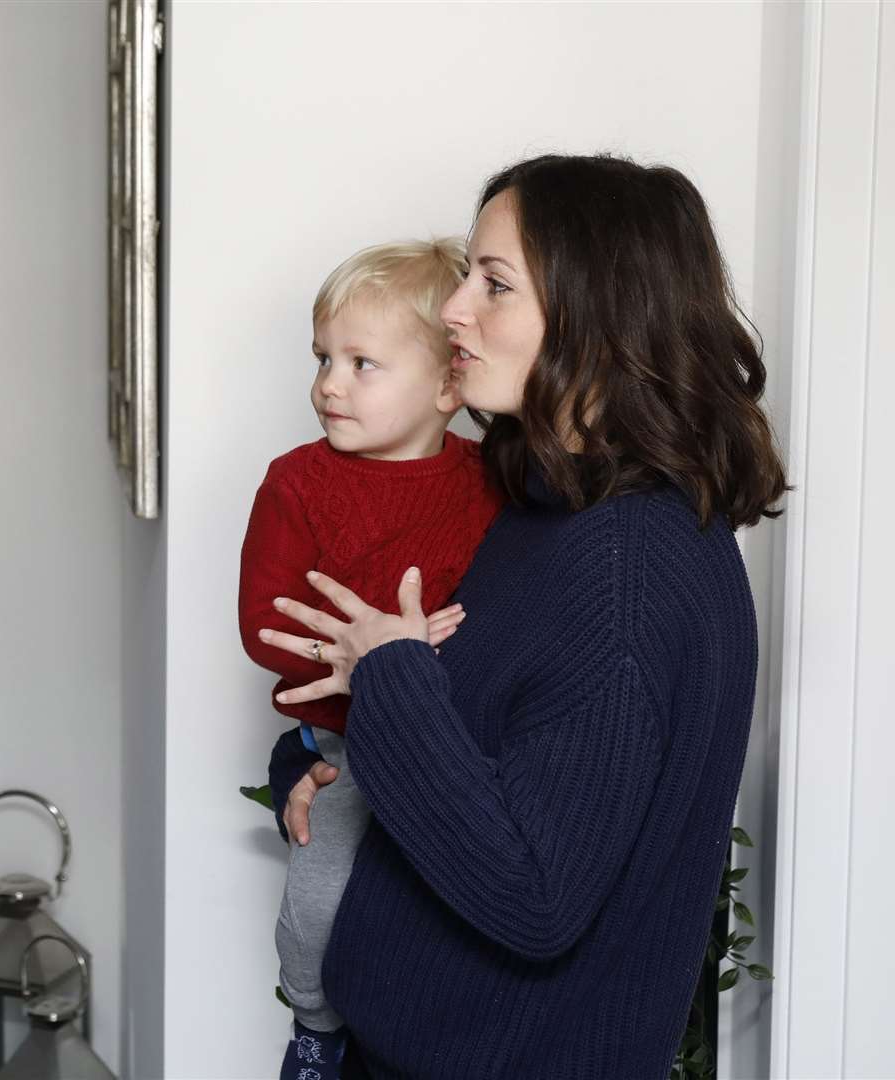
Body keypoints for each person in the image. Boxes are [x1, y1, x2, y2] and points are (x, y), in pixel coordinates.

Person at [260, 154, 786, 1077]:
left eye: (493, 284)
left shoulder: (626, 572)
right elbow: (487, 764)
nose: (454, 309)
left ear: (599, 314)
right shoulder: (550, 509)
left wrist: (390, 677)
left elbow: (534, 893)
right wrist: (362, 768)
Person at [236, 239, 502, 1080]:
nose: (328, 385)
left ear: (447, 386)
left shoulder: (493, 480)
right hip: (347, 752)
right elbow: (261, 627)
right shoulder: (296, 482)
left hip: (463, 749)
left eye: (361, 363)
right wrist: (368, 655)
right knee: (316, 905)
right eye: (322, 359)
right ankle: (314, 1030)